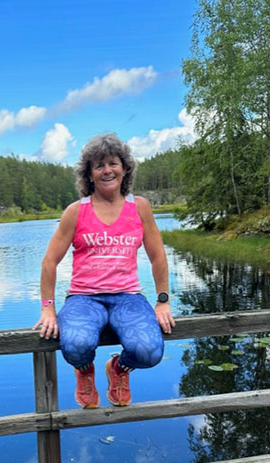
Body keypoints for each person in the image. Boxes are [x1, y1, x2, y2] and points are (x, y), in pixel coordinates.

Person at [33, 133, 175, 409]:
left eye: (113, 163)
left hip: (128, 297)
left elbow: (157, 256)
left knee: (149, 352)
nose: (107, 170)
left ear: (125, 168)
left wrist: (163, 301)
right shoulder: (76, 212)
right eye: (99, 165)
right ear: (89, 174)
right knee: (75, 345)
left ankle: (119, 368)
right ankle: (85, 369)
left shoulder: (140, 207)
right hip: (84, 298)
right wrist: (48, 309)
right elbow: (50, 261)